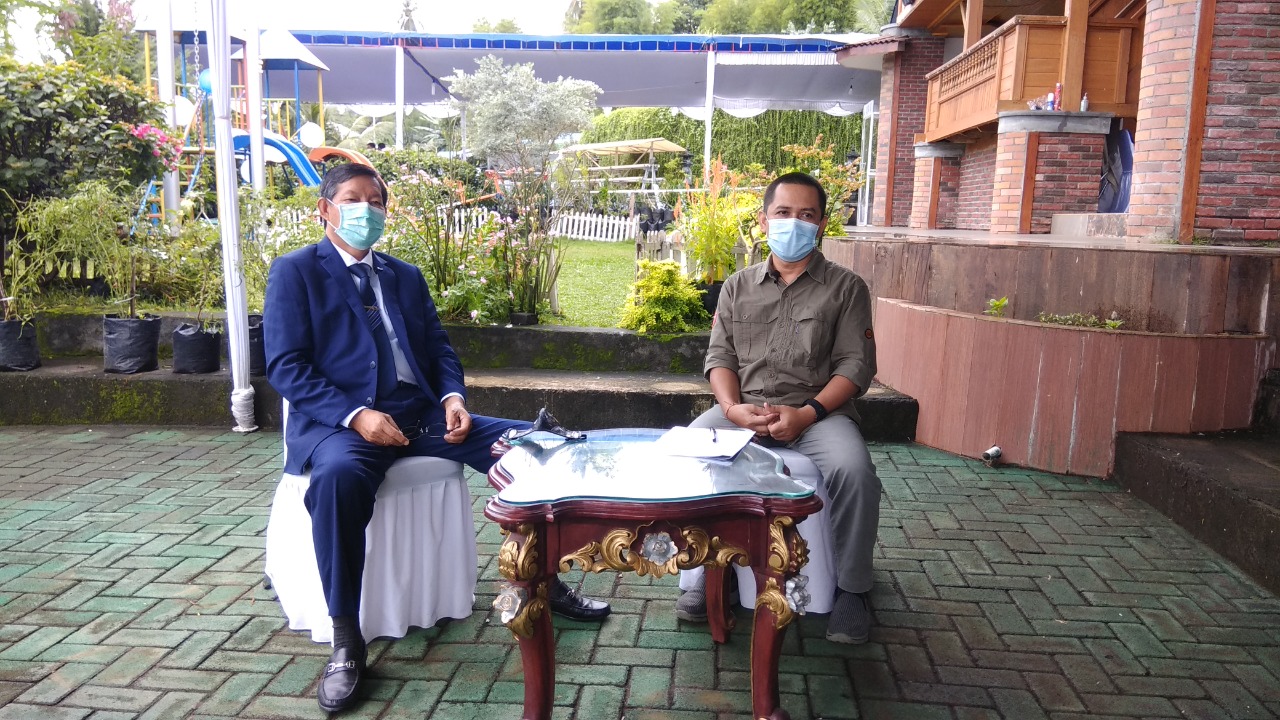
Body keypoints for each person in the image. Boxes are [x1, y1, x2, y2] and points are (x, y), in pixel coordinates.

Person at [264, 163, 610, 713]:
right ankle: (347, 639)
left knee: (534, 447)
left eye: (376, 201)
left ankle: (545, 582)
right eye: (352, 199)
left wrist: (453, 399)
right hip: (343, 427)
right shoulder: (296, 271)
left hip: (422, 416)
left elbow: (439, 349)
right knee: (337, 480)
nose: (366, 210)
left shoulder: (404, 275)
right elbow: (287, 366)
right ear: (324, 210)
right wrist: (355, 415)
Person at [675, 171, 882, 645]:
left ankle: (853, 590)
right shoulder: (737, 286)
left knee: (854, 472)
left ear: (822, 224)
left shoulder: (846, 288)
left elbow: (856, 366)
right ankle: (708, 573)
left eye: (806, 215)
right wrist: (731, 409)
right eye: (783, 212)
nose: (794, 223)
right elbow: (720, 357)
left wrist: (807, 414)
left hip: (819, 415)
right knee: (690, 452)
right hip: (744, 411)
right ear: (764, 220)